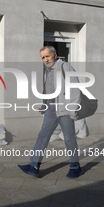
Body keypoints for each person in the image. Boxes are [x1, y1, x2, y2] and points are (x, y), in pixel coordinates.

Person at [18, 46, 83, 178]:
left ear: (54, 55)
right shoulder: (48, 70)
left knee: (69, 139)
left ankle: (75, 167)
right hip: (51, 108)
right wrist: (43, 104)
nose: (45, 59)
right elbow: (48, 89)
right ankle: (33, 166)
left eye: (47, 56)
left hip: (64, 109)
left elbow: (76, 89)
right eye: (43, 57)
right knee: (42, 135)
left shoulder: (65, 67)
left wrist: (73, 111)